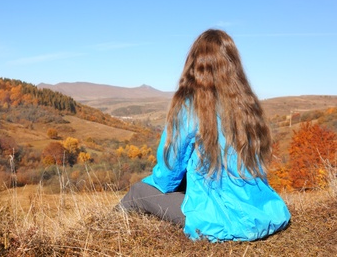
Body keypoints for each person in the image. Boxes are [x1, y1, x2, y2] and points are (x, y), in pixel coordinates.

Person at [116, 29, 291, 242]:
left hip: (221, 221)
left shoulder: (190, 108)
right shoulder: (248, 106)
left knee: (138, 192)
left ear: (195, 65)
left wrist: (151, 183)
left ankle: (104, 232)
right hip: (263, 212)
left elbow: (168, 175)